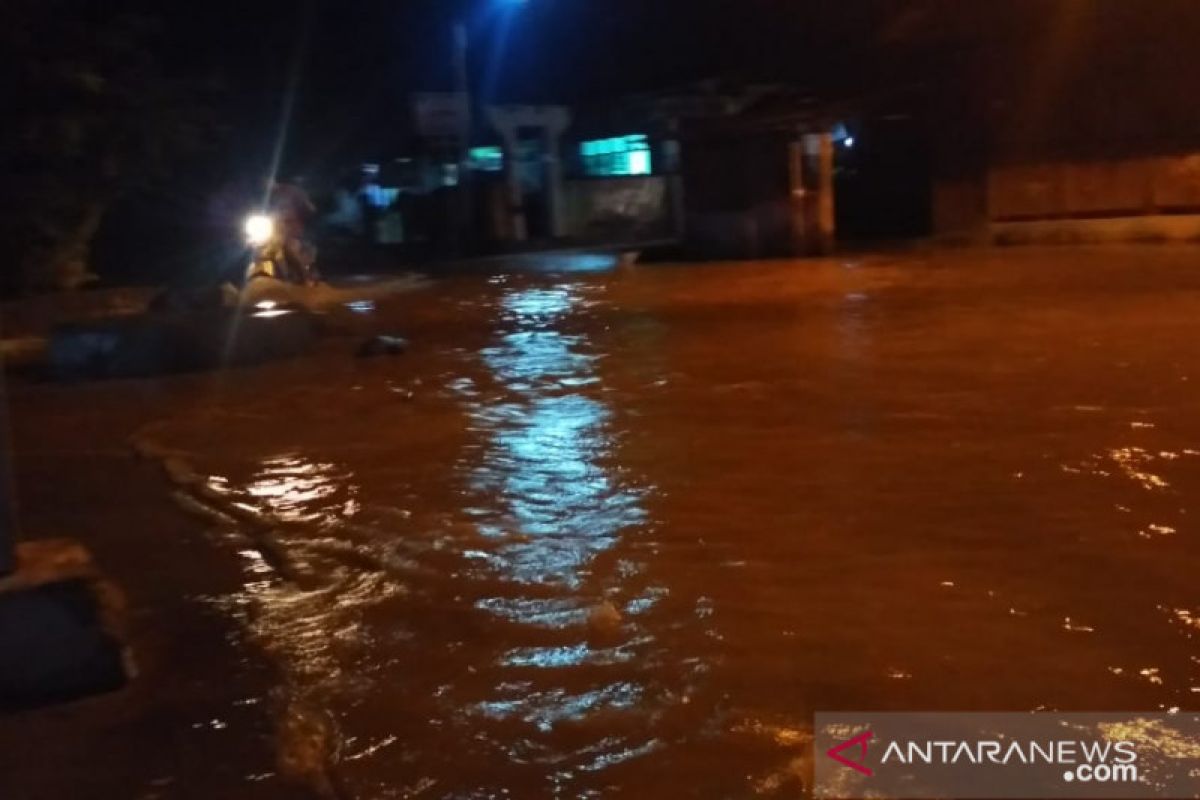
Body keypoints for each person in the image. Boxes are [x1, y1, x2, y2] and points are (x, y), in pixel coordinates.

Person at [268, 178, 318, 284]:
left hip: (293, 229)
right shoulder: (265, 196)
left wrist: (298, 217)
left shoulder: (293, 191)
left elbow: (309, 209)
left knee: (293, 250)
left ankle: (306, 277)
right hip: (274, 230)